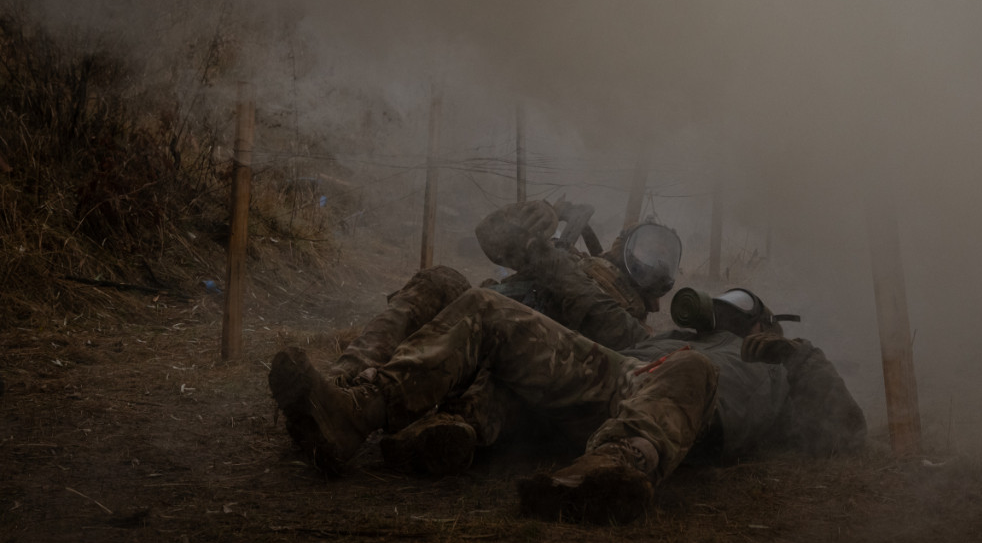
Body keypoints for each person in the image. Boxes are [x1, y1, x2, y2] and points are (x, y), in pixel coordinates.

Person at [269, 281, 866, 524]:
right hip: (619, 378)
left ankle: (615, 469)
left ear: (765, 320)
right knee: (484, 306)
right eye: (723, 307)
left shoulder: (785, 359)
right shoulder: (665, 337)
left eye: (742, 310)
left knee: (693, 366)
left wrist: (787, 356)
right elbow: (589, 312)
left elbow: (845, 432)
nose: (727, 317)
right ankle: (357, 412)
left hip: (688, 412)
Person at [314, 200, 683, 475]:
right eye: (645, 244)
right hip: (469, 327)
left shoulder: (631, 325)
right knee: (438, 280)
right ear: (619, 242)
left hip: (512, 362)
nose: (650, 259)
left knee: (507, 369)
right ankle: (336, 387)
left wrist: (543, 251)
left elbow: (591, 310)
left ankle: (429, 427)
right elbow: (489, 236)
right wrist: (538, 211)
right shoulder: (567, 259)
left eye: (662, 256)